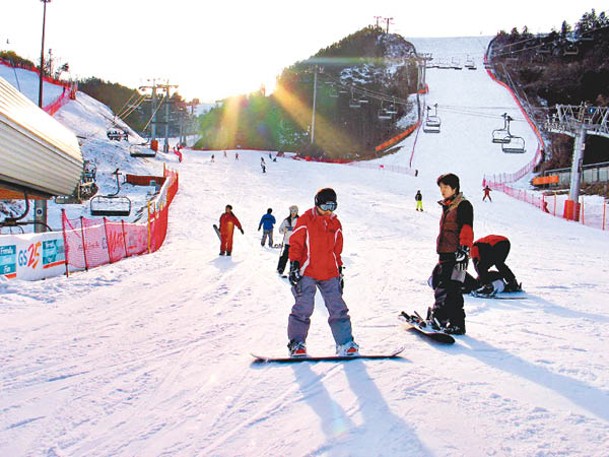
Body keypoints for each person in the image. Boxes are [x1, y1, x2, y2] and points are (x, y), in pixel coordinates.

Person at [287, 188, 359, 357]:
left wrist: (339, 270)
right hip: (308, 271)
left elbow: (337, 250)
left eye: (333, 206)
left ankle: (345, 343)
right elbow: (296, 244)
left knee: (338, 307)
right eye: (326, 206)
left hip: (329, 272)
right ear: (317, 203)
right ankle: (297, 344)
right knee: (304, 307)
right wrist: (294, 265)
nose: (329, 211)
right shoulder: (306, 219)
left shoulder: (335, 223)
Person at [428, 173, 474, 335]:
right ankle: (441, 317)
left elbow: (467, 229)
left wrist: (463, 250)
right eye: (440, 187)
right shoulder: (449, 205)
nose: (442, 190)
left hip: (457, 254)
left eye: (445, 187)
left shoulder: (463, 205)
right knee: (442, 284)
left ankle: (457, 323)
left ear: (454, 188)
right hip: (445, 252)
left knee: (452, 288)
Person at [276, 205, 299, 275]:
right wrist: (284, 230)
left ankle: (293, 270)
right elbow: (280, 230)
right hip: (288, 242)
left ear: (297, 212)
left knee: (294, 257)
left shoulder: (300, 220)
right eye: (292, 211)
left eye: (295, 211)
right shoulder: (286, 220)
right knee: (285, 255)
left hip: (296, 242)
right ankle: (280, 268)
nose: (293, 213)